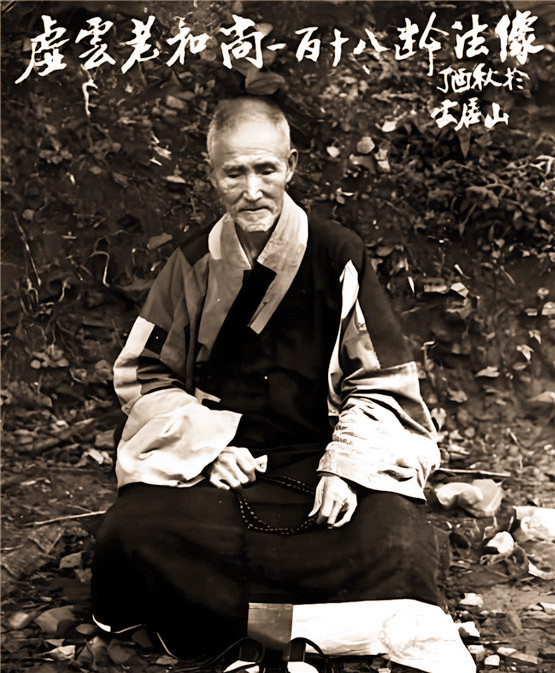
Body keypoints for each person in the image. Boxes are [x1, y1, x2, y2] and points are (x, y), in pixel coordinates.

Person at [91, 97, 475, 673]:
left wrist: (346, 469)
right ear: (211, 175)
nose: (252, 190)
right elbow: (145, 373)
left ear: (290, 166)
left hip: (319, 460)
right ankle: (322, 628)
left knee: (398, 539)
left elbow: (382, 378)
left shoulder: (337, 253)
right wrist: (208, 446)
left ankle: (224, 624)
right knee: (130, 531)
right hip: (227, 471)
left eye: (265, 169)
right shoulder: (192, 262)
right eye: (234, 173)